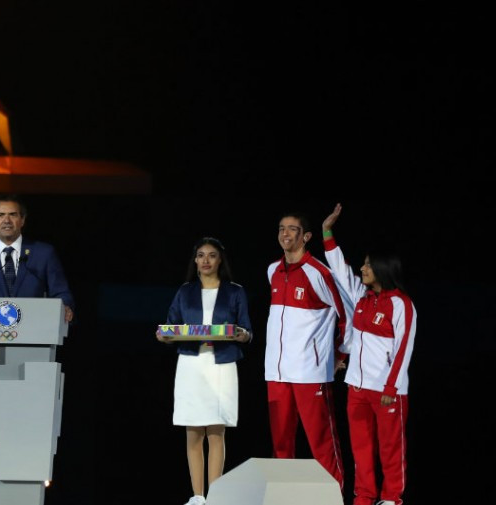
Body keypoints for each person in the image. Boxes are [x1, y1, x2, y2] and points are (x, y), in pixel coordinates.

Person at [322, 203, 417, 505]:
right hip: (357, 389)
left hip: (388, 391)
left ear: (383, 269)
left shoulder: (401, 304)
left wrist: (391, 386)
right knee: (361, 448)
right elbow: (339, 268)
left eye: (367, 265)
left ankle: (391, 498)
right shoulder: (361, 297)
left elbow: (404, 347)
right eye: (362, 265)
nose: (361, 269)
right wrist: (327, 232)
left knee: (390, 448)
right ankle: (364, 496)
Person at [156, 237, 253, 505]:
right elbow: (171, 325)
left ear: (220, 259)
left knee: (216, 431)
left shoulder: (235, 291)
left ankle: (217, 495)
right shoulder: (185, 291)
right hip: (191, 363)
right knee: (193, 431)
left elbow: (246, 329)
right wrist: (163, 335)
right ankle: (198, 497)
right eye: (201, 255)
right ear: (195, 261)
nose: (206, 260)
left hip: (221, 363)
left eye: (212, 255)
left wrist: (242, 335)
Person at [262, 212, 350, 489]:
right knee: (281, 444)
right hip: (276, 373)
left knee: (322, 443)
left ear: (306, 237)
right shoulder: (272, 270)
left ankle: (332, 496)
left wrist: (339, 355)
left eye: (292, 229)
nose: (285, 234)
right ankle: (283, 495)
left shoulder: (320, 273)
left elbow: (349, 315)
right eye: (281, 228)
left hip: (310, 373)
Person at [0, 193, 74, 322]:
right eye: (0, 215)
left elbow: (61, 293)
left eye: (13, 214)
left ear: (22, 220)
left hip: (34, 329)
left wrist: (65, 306)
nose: (7, 220)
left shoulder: (44, 253)